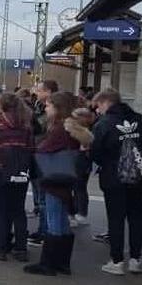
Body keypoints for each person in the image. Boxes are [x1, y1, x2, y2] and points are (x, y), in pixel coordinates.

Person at [89, 88, 142, 275]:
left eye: (98, 106)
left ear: (105, 102)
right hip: (141, 178)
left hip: (114, 179)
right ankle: (136, 260)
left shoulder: (103, 124)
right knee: (137, 218)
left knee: (116, 218)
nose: (97, 110)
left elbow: (95, 152)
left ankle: (117, 261)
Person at [25, 91, 91, 275]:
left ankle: (48, 264)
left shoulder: (60, 129)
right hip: (65, 178)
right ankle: (62, 263)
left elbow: (44, 149)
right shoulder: (70, 127)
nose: (46, 107)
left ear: (58, 108)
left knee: (54, 219)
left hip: (55, 178)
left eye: (49, 105)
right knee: (61, 220)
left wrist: (34, 147)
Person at [0, 92, 34, 262]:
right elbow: (31, 150)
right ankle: (21, 249)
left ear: (1, 106)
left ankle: (1, 249)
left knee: (0, 212)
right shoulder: (26, 127)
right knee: (18, 211)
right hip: (20, 175)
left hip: (0, 174)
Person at [27, 80, 59, 245]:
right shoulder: (40, 106)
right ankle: (43, 230)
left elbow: (42, 129)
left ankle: (45, 232)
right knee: (42, 198)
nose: (36, 93)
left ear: (48, 92)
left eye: (39, 90)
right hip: (40, 156)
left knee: (45, 199)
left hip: (44, 158)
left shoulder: (52, 111)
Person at [70, 107, 96, 228]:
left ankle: (78, 213)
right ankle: (81, 213)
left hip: (78, 161)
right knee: (80, 188)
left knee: (77, 188)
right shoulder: (90, 130)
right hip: (85, 162)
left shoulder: (77, 131)